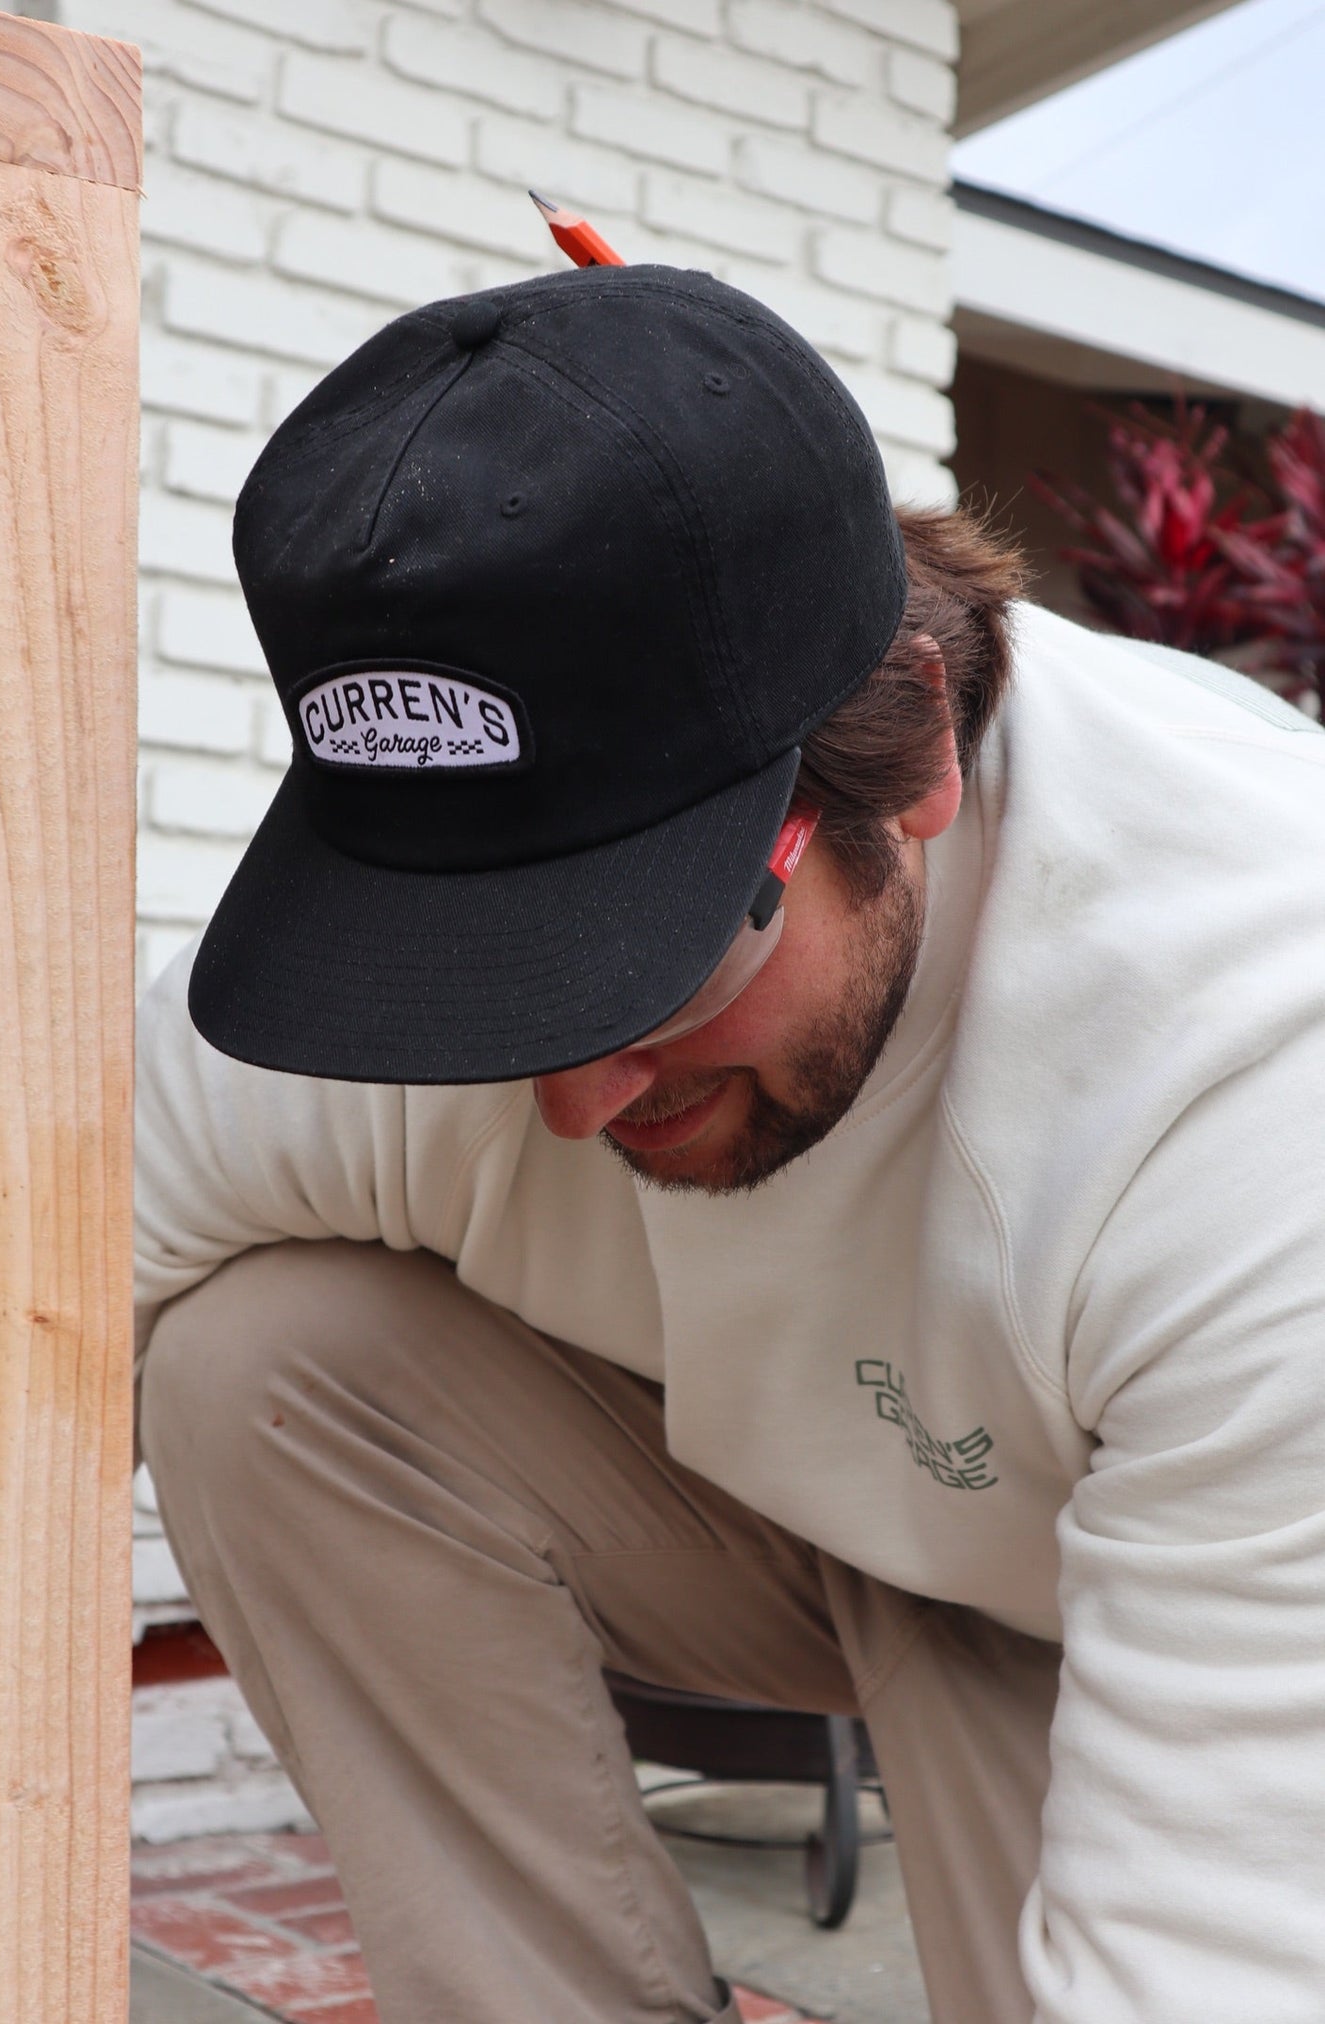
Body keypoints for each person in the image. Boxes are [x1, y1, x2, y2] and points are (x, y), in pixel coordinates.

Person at [133, 266, 1325, 2024]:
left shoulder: (1247, 1092)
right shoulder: (411, 1003)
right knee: (263, 1367)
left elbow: (1207, 1963)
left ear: (910, 749)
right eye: (495, 989)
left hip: (1147, 1576)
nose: (568, 1100)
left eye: (652, 966)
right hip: (804, 1501)